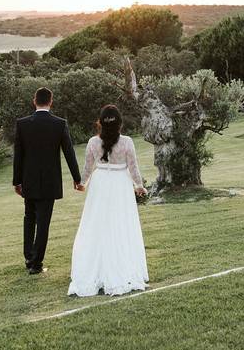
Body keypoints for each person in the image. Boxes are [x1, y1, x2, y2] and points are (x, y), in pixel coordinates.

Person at [68, 104, 149, 296]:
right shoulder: (127, 142)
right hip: (120, 184)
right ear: (120, 123)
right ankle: (121, 267)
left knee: (97, 225)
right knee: (121, 225)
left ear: (100, 123)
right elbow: (133, 167)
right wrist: (139, 186)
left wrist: (82, 183)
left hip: (100, 184)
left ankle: (97, 269)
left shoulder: (92, 142)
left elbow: (88, 167)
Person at [13, 87, 83, 274]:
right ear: (51, 102)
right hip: (50, 182)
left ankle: (29, 257)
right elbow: (69, 153)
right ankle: (36, 264)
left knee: (29, 218)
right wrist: (77, 179)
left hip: (29, 181)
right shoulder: (59, 124)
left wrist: (16, 181)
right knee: (43, 222)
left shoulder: (22, 124)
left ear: (34, 101)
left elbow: (18, 155)